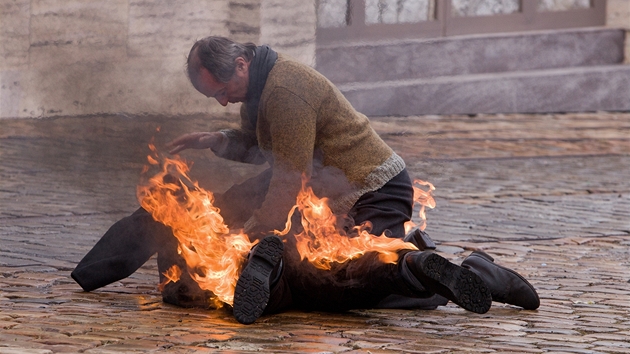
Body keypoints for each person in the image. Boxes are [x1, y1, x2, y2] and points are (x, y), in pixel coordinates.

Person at [71, 36, 539, 325]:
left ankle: (467, 269)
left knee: (343, 279)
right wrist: (215, 139)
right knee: (213, 206)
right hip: (324, 185)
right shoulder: (258, 85)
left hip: (370, 192)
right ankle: (94, 270)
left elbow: (289, 177)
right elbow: (261, 147)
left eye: (221, 92)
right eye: (212, 96)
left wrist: (260, 239)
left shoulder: (287, 90)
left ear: (239, 65)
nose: (220, 101)